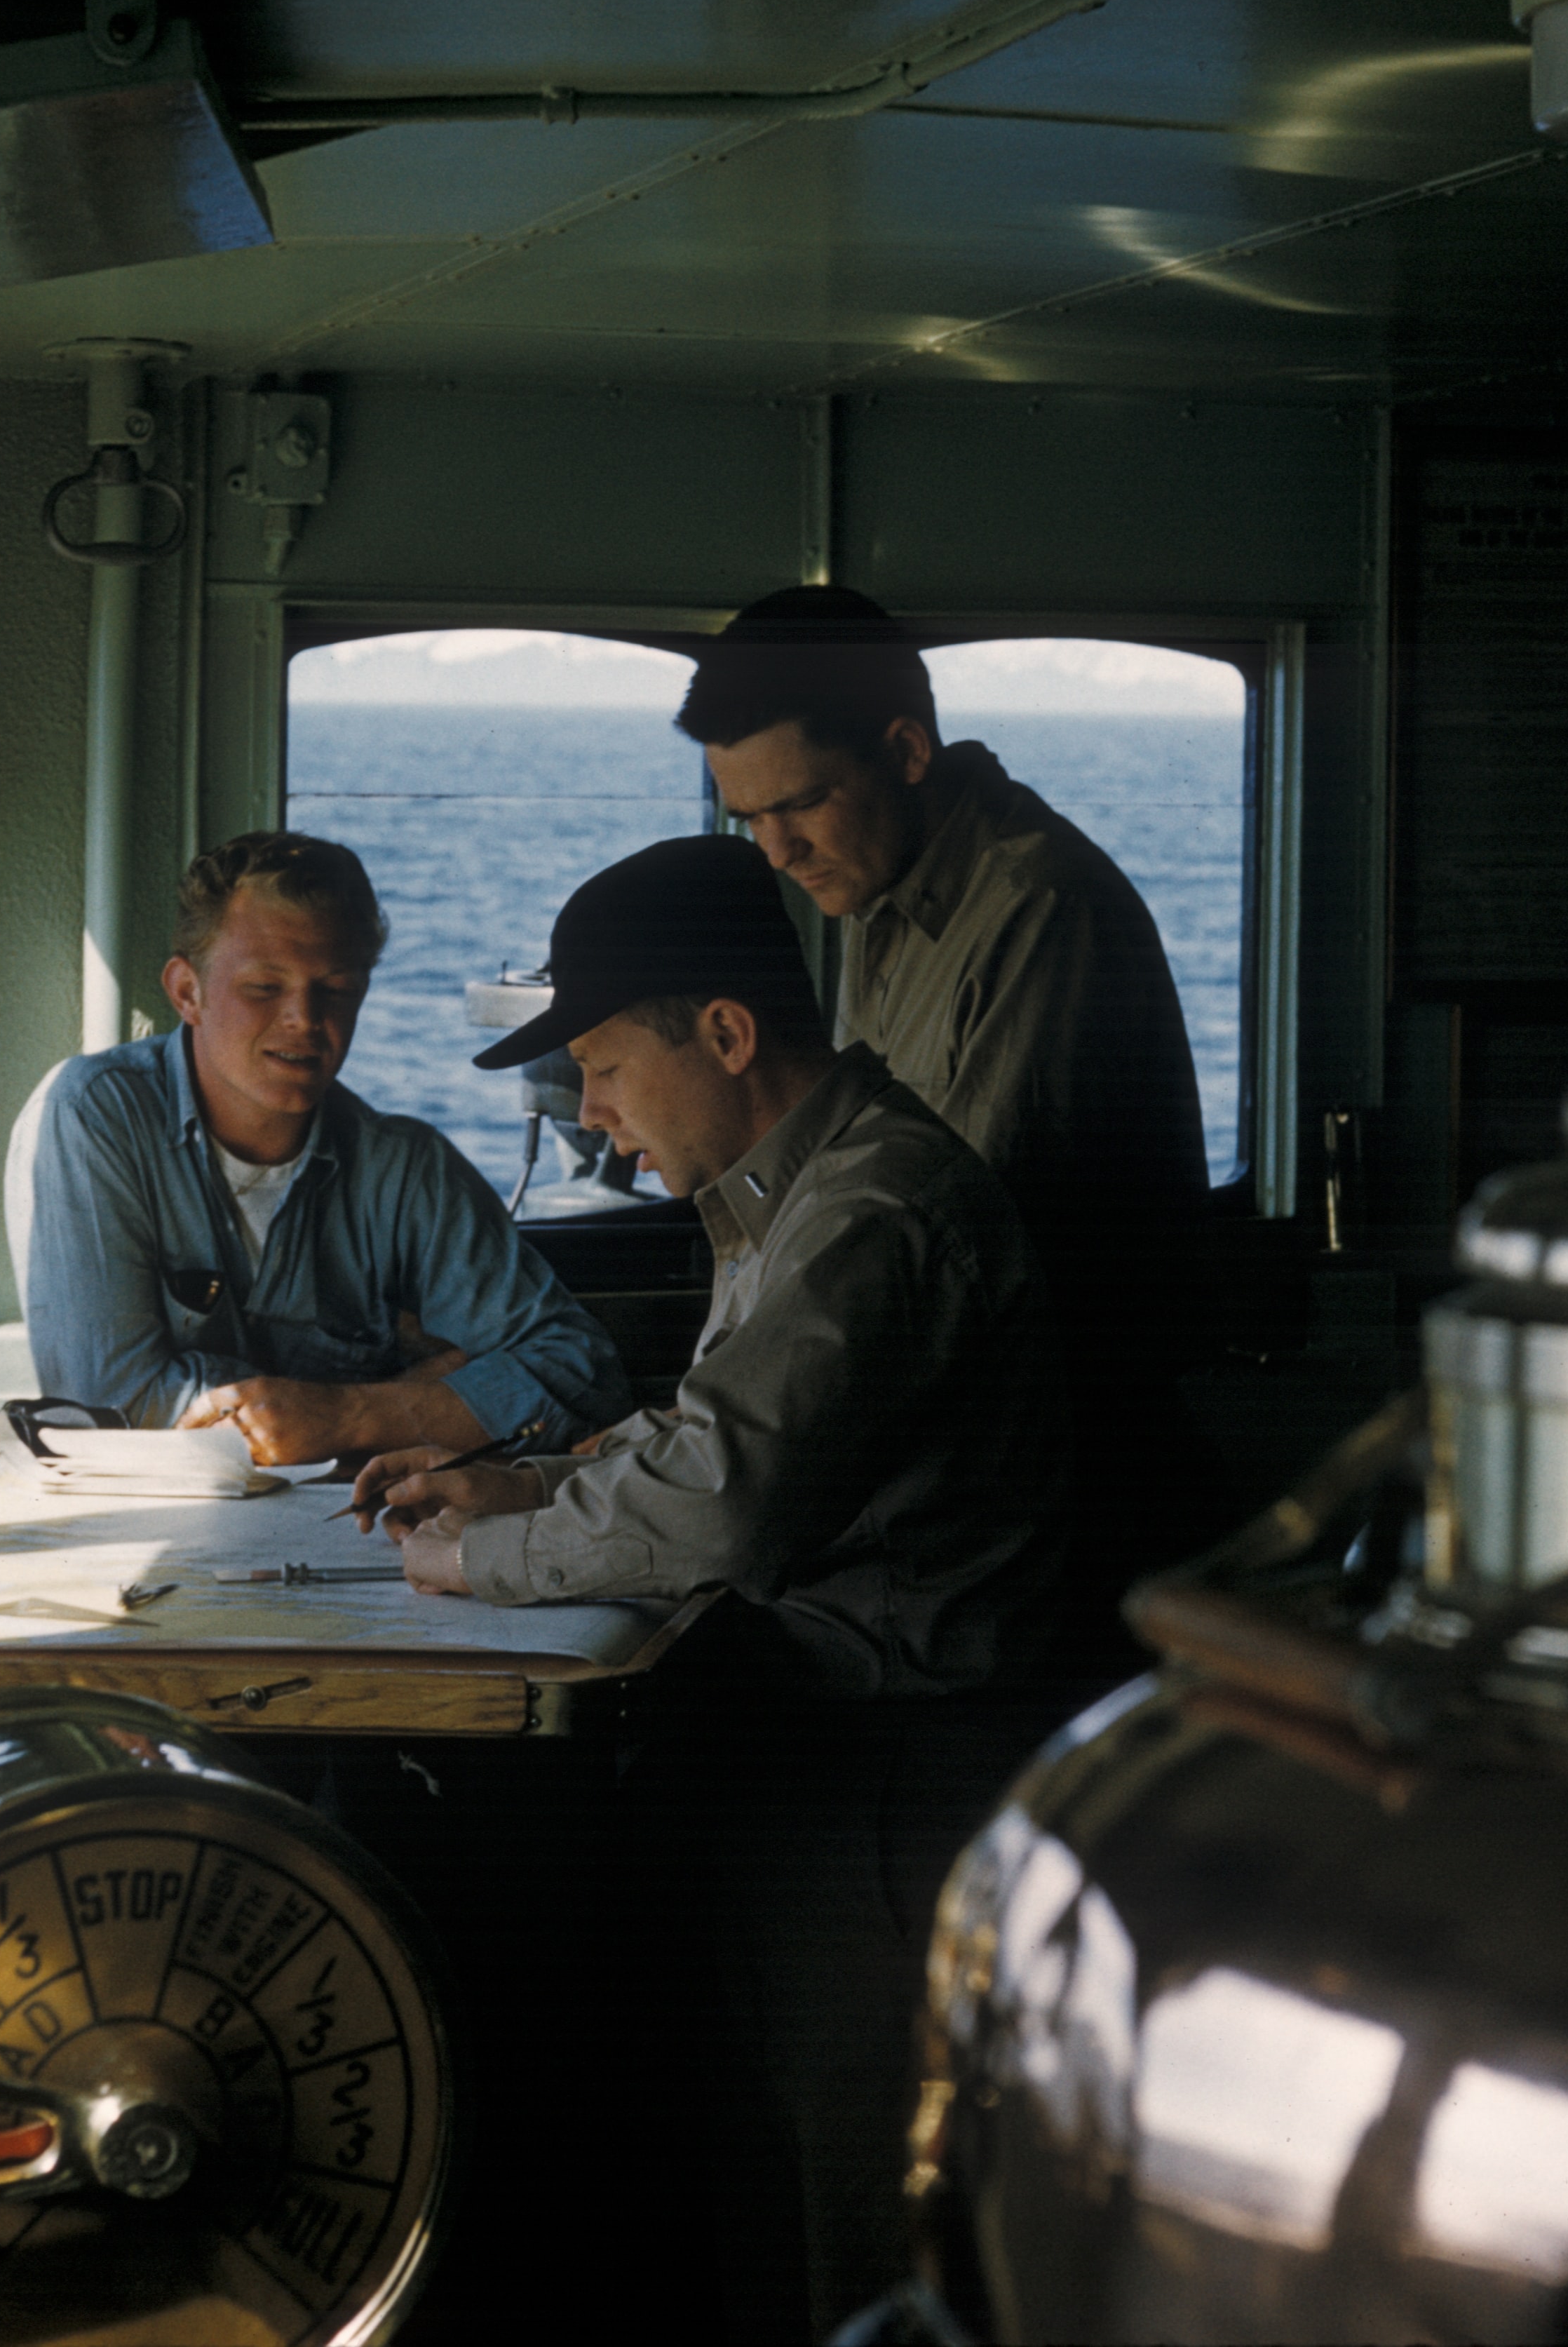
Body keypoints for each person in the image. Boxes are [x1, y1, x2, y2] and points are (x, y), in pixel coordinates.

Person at [351, 833, 1067, 2334]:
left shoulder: (875, 1213)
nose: (594, 1115)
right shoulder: (787, 1196)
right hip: (814, 1750)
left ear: (728, 1035)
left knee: (856, 2233)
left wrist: (469, 1557)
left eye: (607, 1067)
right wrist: (533, 1482)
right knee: (751, 2198)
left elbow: (726, 1496)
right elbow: (713, 1433)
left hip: (892, 1783)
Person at [679, 581, 1212, 1625]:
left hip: (1057, 1508)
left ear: (907, 751)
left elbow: (944, 1249)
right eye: (750, 819)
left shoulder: (1039, 908)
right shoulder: (880, 889)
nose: (776, 853)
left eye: (798, 805)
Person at [8, 830, 627, 1460]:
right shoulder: (95, 1115)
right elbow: (113, 1408)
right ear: (186, 992)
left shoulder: (406, 1170)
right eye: (264, 987)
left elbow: (584, 1377)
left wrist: (349, 1414)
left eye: (335, 989)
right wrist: (415, 1396)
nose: (304, 1019)